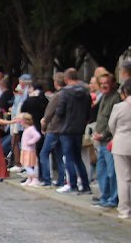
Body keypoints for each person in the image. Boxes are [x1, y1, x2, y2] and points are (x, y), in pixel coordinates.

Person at [53, 68, 92, 194]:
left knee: (68, 157)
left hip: (66, 128)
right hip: (79, 128)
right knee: (78, 157)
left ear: (66, 79)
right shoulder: (86, 92)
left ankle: (73, 184)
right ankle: (85, 185)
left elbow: (59, 111)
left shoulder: (65, 93)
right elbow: (88, 111)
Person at [91, 73, 121, 209]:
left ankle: (113, 198)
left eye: (106, 83)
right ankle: (104, 196)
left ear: (112, 83)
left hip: (109, 141)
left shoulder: (116, 98)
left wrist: (103, 134)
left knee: (111, 172)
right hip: (100, 141)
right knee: (101, 171)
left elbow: (115, 121)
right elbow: (101, 117)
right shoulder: (103, 97)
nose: (103, 85)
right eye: (101, 83)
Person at [38, 73, 68, 187]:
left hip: (54, 128)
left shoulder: (57, 96)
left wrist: (43, 126)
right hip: (63, 128)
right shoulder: (67, 95)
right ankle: (61, 179)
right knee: (59, 155)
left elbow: (48, 114)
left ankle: (47, 179)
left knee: (44, 153)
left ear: (56, 82)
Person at [108, 79, 131, 219]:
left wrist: (117, 135)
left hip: (122, 143)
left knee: (123, 178)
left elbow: (111, 125)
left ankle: (124, 209)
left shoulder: (119, 107)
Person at [18, 113, 41, 186]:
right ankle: (29, 179)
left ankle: (34, 179)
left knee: (28, 165)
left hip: (29, 150)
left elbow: (37, 136)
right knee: (26, 165)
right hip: (25, 150)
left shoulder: (31, 129)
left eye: (20, 120)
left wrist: (30, 142)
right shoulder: (27, 129)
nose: (19, 122)